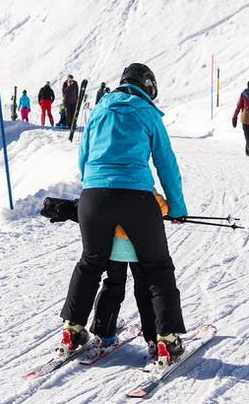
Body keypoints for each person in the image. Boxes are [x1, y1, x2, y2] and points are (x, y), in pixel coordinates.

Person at [58, 62, 188, 365]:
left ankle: (72, 330)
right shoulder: (147, 113)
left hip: (93, 196)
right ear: (149, 86)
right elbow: (166, 163)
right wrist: (177, 207)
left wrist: (92, 189)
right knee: (156, 266)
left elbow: (84, 157)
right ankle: (166, 340)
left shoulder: (100, 109)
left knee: (91, 263)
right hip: (136, 197)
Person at [91, 193, 169, 351]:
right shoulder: (145, 192)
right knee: (145, 290)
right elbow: (163, 208)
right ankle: (155, 340)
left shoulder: (109, 193)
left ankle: (104, 334)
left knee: (112, 285)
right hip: (140, 251)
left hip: (113, 251)